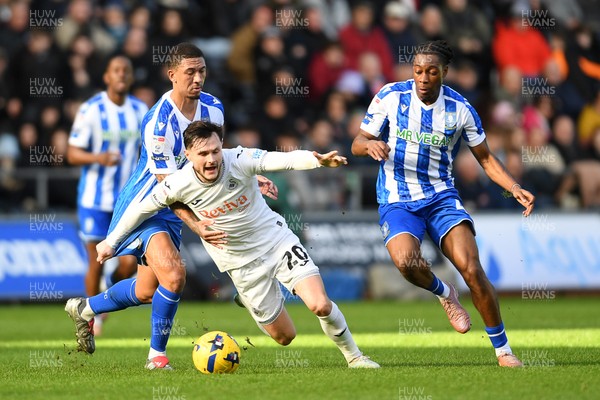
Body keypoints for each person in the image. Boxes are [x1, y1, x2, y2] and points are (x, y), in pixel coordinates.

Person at [96, 120, 380, 369]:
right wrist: (110, 243)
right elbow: (140, 208)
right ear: (188, 155)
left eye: (215, 151)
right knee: (285, 337)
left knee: (319, 304)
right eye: (203, 154)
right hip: (240, 264)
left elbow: (278, 160)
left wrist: (317, 160)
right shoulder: (177, 184)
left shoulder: (239, 159)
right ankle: (245, 297)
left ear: (223, 147)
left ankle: (355, 357)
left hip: (275, 242)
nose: (211, 160)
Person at [65, 43, 277, 369]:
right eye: (189, 72)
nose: (197, 78)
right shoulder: (158, 123)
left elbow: (219, 154)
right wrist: (196, 224)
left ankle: (85, 309)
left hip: (176, 205)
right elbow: (167, 189)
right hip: (146, 205)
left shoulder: (214, 108)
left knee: (148, 289)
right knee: (175, 276)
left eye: (202, 71)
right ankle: (157, 357)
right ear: (172, 75)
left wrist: (253, 178)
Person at [351, 40, 535, 368]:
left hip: (440, 197)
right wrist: (371, 146)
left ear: (444, 73)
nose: (423, 77)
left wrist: (514, 187)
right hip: (397, 199)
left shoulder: (460, 109)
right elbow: (357, 142)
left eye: (431, 72)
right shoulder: (391, 96)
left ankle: (503, 351)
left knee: (472, 269)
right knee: (407, 263)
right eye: (418, 70)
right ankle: (444, 293)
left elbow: (487, 159)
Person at [67, 55, 147, 335]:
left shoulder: (141, 111)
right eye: (116, 70)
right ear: (106, 77)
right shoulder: (91, 110)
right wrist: (98, 157)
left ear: (131, 77)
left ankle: (107, 288)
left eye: (126, 70)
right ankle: (88, 322)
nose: (122, 75)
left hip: (127, 202)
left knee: (128, 263)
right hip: (94, 200)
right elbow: (72, 152)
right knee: (94, 262)